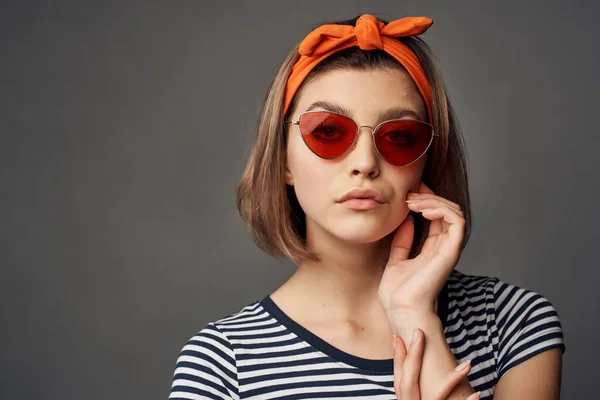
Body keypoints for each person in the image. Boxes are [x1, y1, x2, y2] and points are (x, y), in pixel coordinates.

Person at [168, 14, 565, 400]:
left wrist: (414, 315)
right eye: (327, 131)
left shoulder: (514, 322)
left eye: (400, 136)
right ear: (283, 159)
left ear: (427, 158)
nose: (365, 162)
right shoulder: (224, 362)